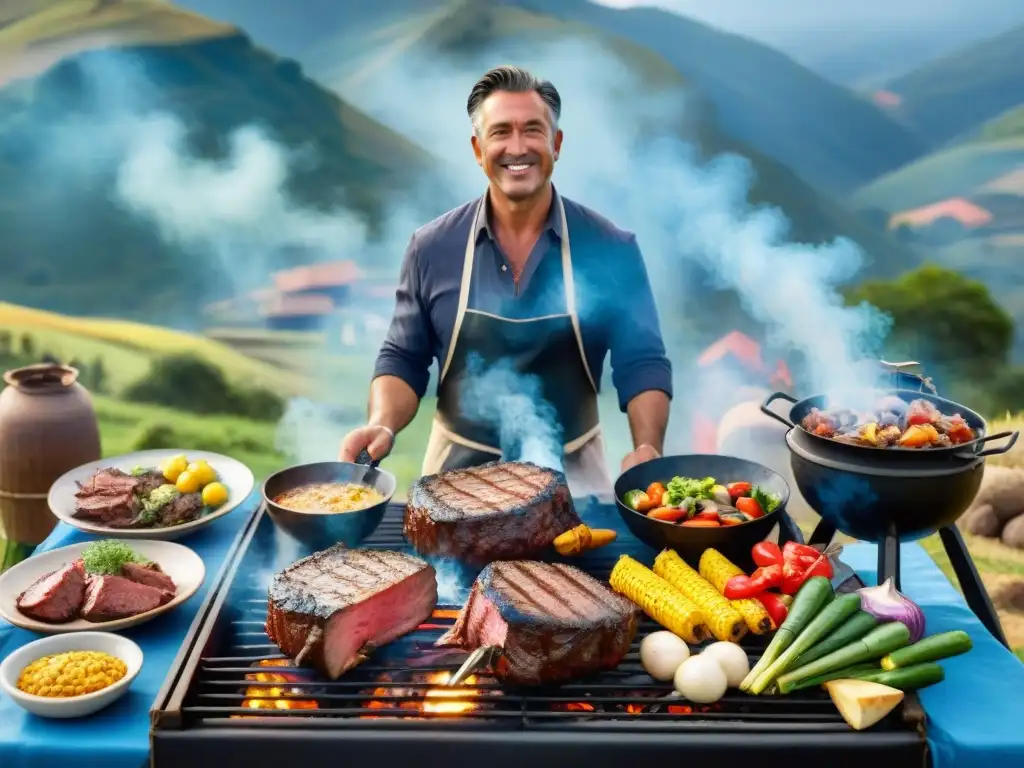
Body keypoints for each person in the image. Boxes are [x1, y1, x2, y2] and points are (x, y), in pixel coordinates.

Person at [339, 65, 672, 500]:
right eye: (500, 133)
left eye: (533, 130)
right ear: (479, 149)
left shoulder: (611, 247)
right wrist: (381, 422)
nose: (517, 147)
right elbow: (403, 356)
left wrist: (647, 446)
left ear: (556, 143)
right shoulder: (432, 247)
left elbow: (642, 361)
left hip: (576, 479)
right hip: (453, 479)